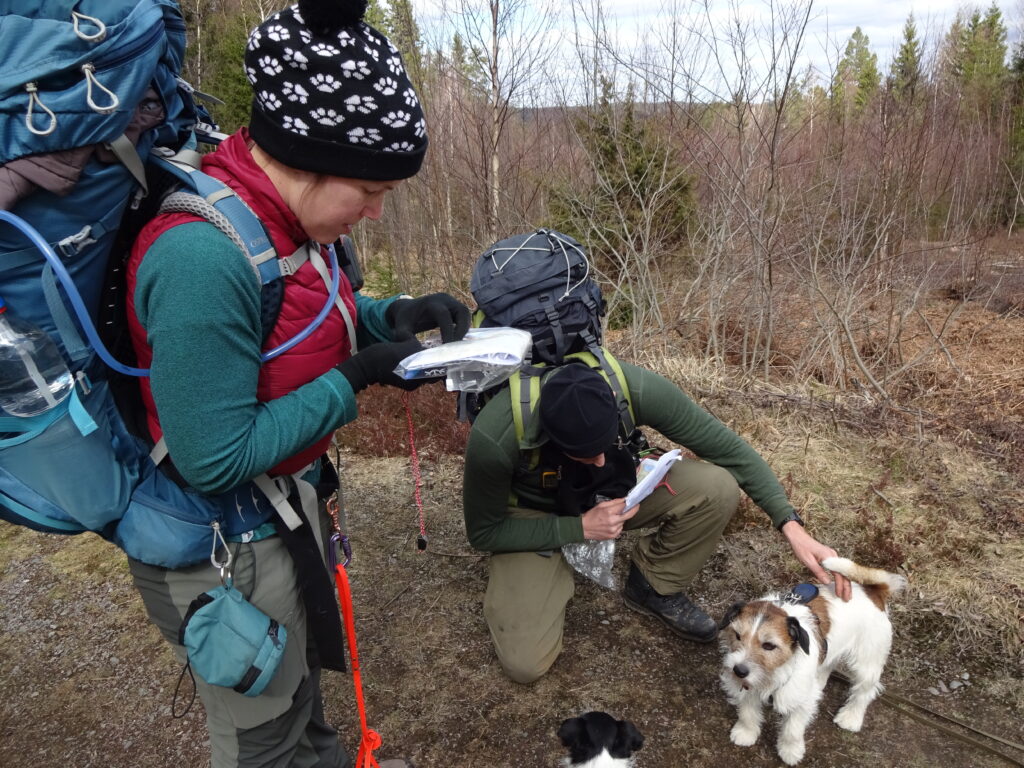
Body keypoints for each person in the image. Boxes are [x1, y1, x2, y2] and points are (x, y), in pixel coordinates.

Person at [123, 1, 467, 766]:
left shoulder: (284, 222)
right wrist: (356, 379)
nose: (375, 212)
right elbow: (213, 456)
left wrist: (394, 317)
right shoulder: (201, 259)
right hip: (222, 538)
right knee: (261, 732)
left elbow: (298, 315)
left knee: (302, 683)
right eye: (369, 191)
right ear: (305, 158)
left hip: (282, 507)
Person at [462, 360, 852, 684]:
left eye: (605, 446)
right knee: (525, 664)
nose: (599, 459)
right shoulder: (496, 437)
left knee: (717, 486)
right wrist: (577, 529)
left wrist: (791, 525)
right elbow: (483, 531)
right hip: (534, 511)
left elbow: (729, 450)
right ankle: (549, 569)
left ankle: (653, 585)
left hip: (611, 495)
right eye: (585, 454)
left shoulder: (630, 386)